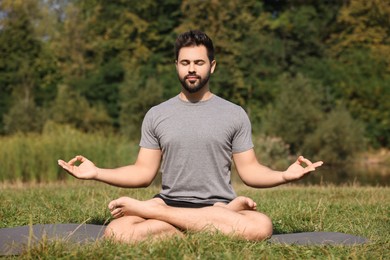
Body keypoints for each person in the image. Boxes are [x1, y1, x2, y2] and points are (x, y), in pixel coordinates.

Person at [58, 30, 323, 243]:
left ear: (212, 66)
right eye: (185, 63)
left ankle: (158, 214)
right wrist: (96, 172)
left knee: (262, 226)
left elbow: (250, 171)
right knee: (117, 233)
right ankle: (199, 219)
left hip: (214, 203)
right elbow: (142, 173)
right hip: (190, 206)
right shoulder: (157, 114)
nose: (192, 69)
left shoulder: (234, 114)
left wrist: (283, 176)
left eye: (199, 62)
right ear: (176, 66)